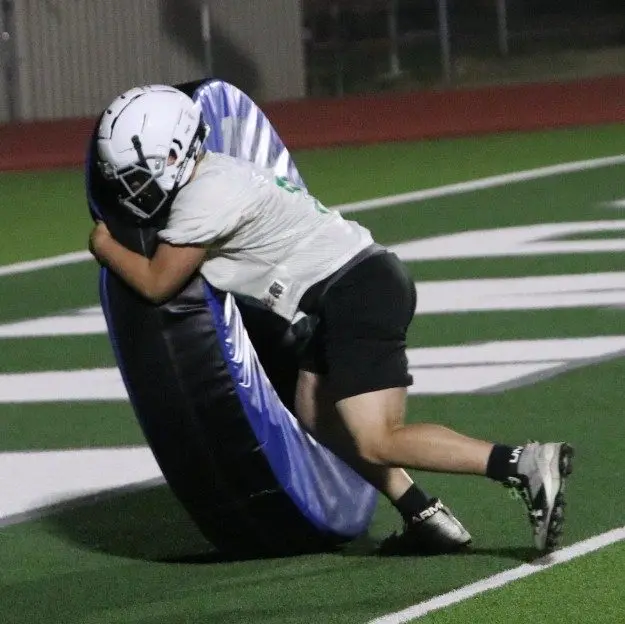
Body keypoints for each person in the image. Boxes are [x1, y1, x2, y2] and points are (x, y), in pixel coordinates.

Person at [89, 85, 573, 555]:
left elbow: (157, 283)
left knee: (379, 439)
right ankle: (423, 515)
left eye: (137, 175)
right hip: (354, 285)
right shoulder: (215, 175)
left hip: (356, 291)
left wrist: (105, 246)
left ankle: (522, 462)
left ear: (175, 153)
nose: (131, 190)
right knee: (316, 413)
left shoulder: (204, 198)